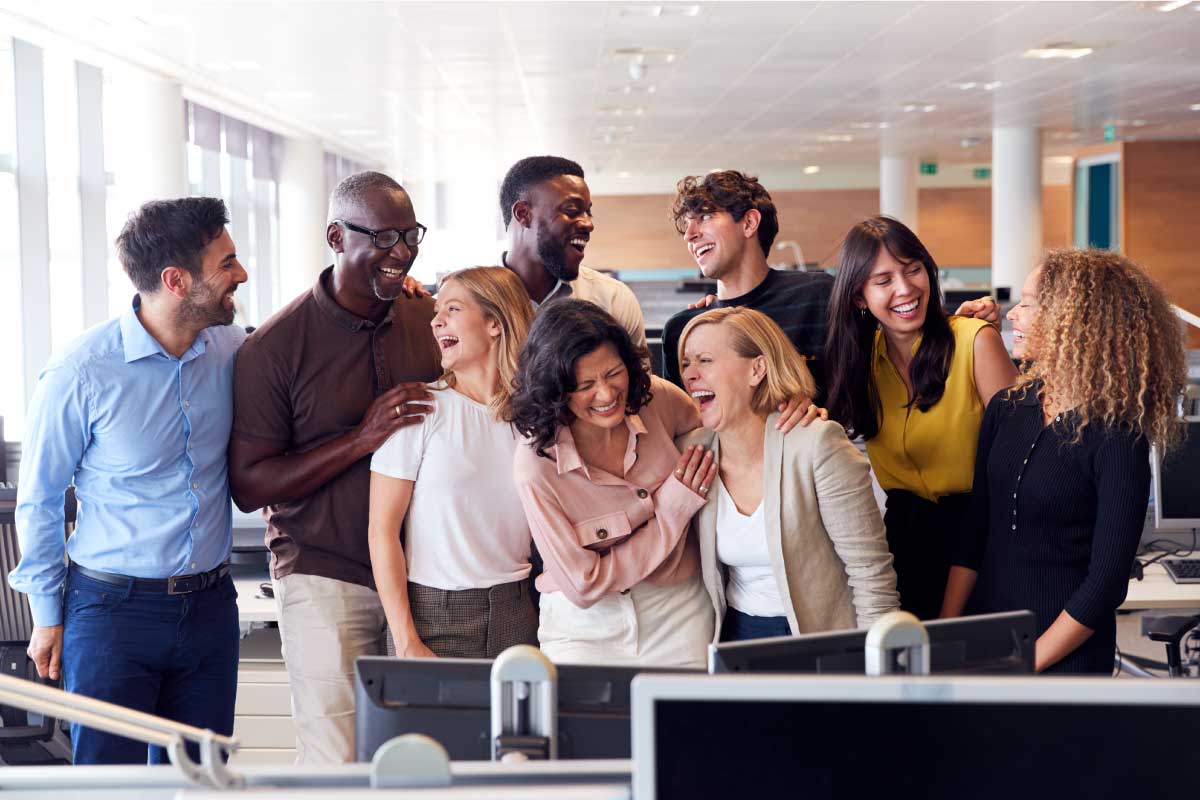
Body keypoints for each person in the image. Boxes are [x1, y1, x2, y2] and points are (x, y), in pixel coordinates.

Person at [9, 197, 247, 764]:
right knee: (107, 784)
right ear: (176, 280)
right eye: (226, 263)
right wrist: (47, 617)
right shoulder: (81, 372)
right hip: (113, 614)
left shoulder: (235, 349)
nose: (240, 274)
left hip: (211, 609)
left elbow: (306, 336)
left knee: (203, 779)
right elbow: (38, 499)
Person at [228, 171, 440, 763]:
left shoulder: (429, 319)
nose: (402, 253)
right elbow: (250, 485)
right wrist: (361, 439)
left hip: (425, 575)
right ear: (336, 236)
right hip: (325, 572)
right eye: (384, 238)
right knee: (336, 762)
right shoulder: (272, 348)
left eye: (410, 235)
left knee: (424, 759)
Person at [943, 249, 1187, 674]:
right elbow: (973, 534)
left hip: (1062, 656)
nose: (1013, 315)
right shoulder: (1007, 407)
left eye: (1028, 303)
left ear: (1072, 321)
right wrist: (945, 633)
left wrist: (1028, 662)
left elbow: (1105, 584)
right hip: (986, 638)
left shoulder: (1118, 435)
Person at [824, 216, 1017, 620]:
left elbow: (1020, 463)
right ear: (859, 297)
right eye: (883, 280)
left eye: (912, 269)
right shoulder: (861, 361)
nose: (905, 288)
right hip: (903, 543)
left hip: (986, 535)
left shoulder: (975, 341)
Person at [661, 171, 1001, 400]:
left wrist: (958, 325)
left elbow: (900, 337)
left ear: (749, 222)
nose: (691, 235)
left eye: (705, 217)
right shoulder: (684, 330)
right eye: (687, 226)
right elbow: (682, 428)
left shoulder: (819, 295)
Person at [508, 300, 716, 669]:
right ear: (555, 390)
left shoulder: (659, 399)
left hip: (677, 611)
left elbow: (729, 423)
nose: (606, 395)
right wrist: (672, 510)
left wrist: (787, 405)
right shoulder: (535, 465)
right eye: (585, 385)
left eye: (614, 373)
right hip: (582, 627)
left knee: (686, 725)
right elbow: (584, 585)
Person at [678, 307, 899, 642]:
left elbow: (871, 576)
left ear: (757, 369)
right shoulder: (693, 450)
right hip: (734, 636)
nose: (690, 374)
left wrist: (875, 668)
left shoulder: (816, 444)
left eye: (704, 360)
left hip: (817, 638)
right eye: (685, 363)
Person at [368, 267, 538, 659]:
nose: (436, 321)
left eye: (453, 309)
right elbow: (381, 533)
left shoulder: (535, 418)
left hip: (518, 611)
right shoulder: (419, 410)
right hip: (432, 621)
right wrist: (408, 641)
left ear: (495, 322)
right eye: (436, 311)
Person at [499, 155, 647, 352]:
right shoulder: (464, 302)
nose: (588, 224)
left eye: (588, 212)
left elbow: (638, 381)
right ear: (523, 214)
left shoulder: (613, 300)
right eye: (572, 210)